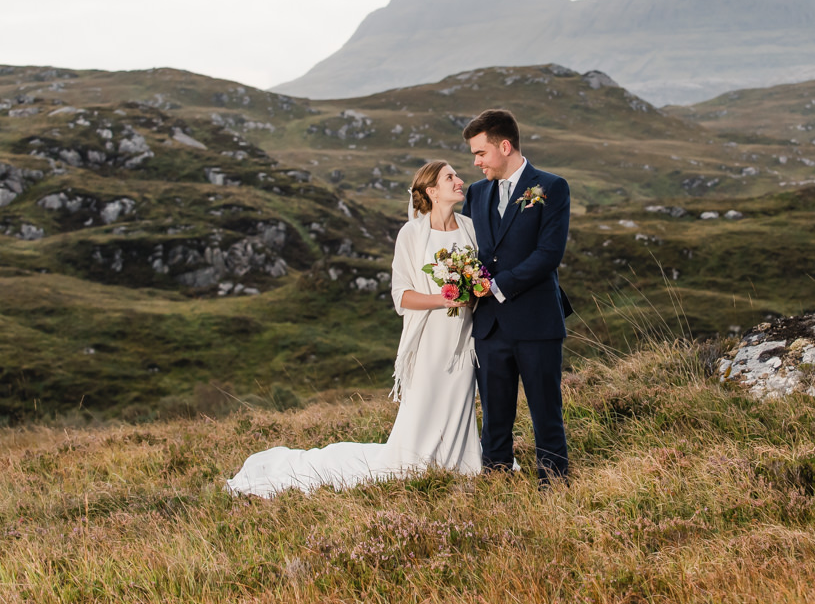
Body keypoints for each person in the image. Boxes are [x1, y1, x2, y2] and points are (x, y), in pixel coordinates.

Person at [225, 161, 482, 497]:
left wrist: (476, 290)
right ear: (432, 191)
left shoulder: (469, 228)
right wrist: (442, 299)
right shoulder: (412, 234)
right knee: (424, 409)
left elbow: (482, 277)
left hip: (464, 336)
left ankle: (460, 462)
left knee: (460, 400)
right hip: (428, 340)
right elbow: (401, 295)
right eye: (451, 177)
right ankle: (415, 466)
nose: (460, 180)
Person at [461, 109, 573, 485]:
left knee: (545, 408)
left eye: (480, 153)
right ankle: (496, 478)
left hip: (536, 319)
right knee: (494, 411)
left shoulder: (551, 187)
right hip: (489, 325)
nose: (476, 163)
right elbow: (470, 250)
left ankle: (554, 481)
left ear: (504, 146)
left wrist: (498, 285)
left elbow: (548, 254)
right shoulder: (476, 194)